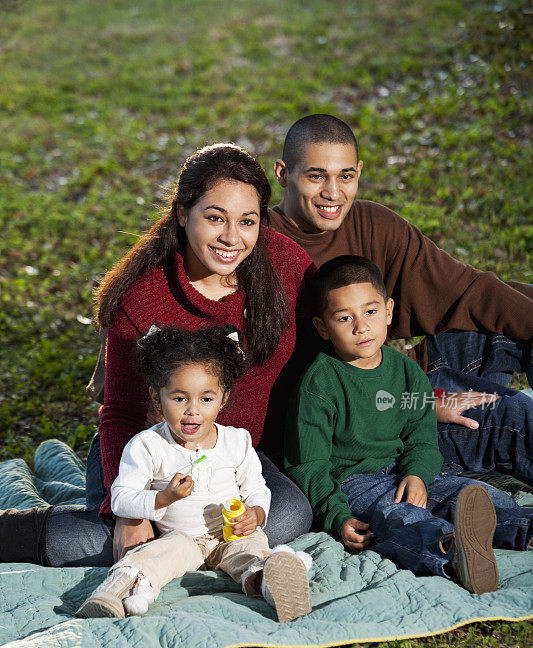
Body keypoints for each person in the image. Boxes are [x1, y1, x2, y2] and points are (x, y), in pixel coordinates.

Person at [0, 144, 315, 568]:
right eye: (215, 217)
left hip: (231, 454)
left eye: (247, 221)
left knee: (291, 514)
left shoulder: (287, 265)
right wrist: (128, 511)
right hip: (149, 453)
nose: (231, 237)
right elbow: (120, 413)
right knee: (124, 540)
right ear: (183, 213)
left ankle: (181, 551)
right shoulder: (143, 296)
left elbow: (335, 337)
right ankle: (15, 531)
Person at [267, 114, 533, 486]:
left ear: (359, 171)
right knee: (511, 415)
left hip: (398, 376)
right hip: (363, 420)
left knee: (508, 327)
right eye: (316, 176)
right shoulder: (261, 244)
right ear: (282, 174)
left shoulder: (371, 223)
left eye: (345, 176)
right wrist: (424, 406)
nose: (333, 193)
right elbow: (315, 399)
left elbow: (466, 289)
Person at [284, 256, 532, 593]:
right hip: (353, 483)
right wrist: (337, 515)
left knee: (479, 497)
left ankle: (524, 530)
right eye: (344, 318)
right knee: (400, 518)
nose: (361, 327)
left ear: (388, 311)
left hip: (402, 469)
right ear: (322, 327)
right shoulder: (319, 383)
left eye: (370, 312)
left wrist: (417, 473)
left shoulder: (406, 371)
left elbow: (421, 437)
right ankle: (453, 553)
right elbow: (309, 466)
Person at [76, 325, 312, 623]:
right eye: (179, 399)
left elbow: (257, 488)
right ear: (156, 397)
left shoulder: (236, 441)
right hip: (180, 538)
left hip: (229, 536)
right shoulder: (148, 445)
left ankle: (272, 584)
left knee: (252, 552)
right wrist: (163, 498)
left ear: (223, 398)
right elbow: (121, 498)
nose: (192, 410)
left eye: (206, 399)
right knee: (151, 557)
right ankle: (112, 594)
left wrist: (257, 514)